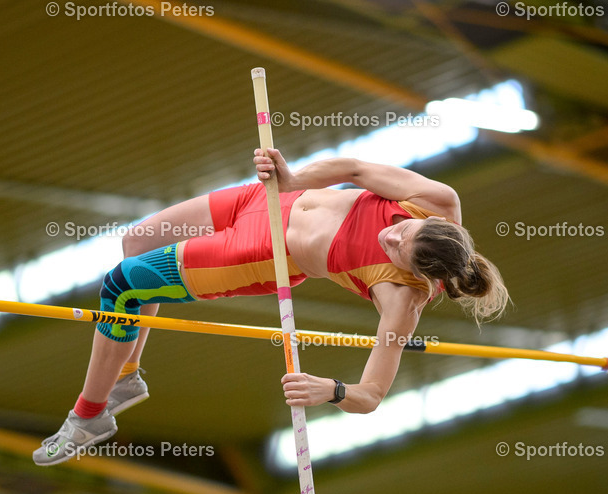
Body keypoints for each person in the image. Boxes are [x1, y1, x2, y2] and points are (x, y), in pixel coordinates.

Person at [33, 149, 508, 465]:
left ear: (419, 272)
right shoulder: (436, 200)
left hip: (261, 253)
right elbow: (355, 170)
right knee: (136, 242)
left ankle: (90, 415)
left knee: (120, 287)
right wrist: (294, 178)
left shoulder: (402, 297)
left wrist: (332, 389)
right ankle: (127, 375)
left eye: (397, 247)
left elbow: (371, 395)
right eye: (403, 229)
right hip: (266, 200)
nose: (392, 234)